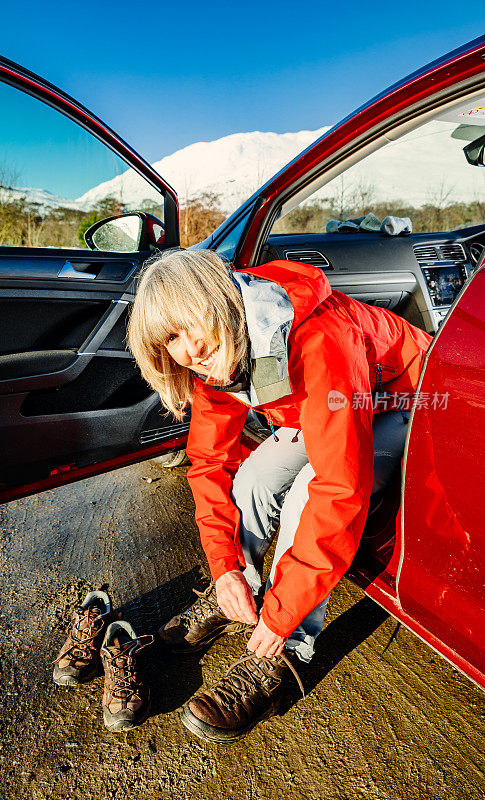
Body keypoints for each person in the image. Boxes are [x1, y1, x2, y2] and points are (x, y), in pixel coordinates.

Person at [127, 248, 433, 743]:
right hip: (320, 409)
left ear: (219, 301)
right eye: (170, 339)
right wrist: (224, 565)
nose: (190, 349)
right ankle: (236, 596)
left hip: (400, 399)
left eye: (190, 325)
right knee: (250, 478)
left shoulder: (319, 339)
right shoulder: (213, 361)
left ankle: (285, 645)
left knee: (308, 498)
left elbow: (339, 487)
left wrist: (282, 612)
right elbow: (209, 463)